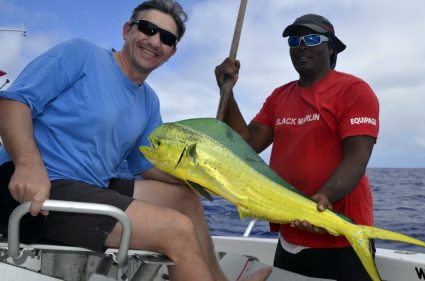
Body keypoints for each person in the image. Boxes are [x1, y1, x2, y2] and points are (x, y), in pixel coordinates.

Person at [0, 1, 271, 280]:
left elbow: (146, 165)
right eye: (148, 29)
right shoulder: (81, 53)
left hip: (92, 186)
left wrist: (201, 179)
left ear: (171, 52)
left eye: (166, 38)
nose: (155, 41)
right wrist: (27, 165)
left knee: (186, 199)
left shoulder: (149, 100)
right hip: (40, 189)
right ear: (127, 30)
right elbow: (14, 102)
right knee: (176, 229)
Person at [215, 13, 380, 281]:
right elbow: (247, 144)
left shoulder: (354, 90)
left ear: (331, 47)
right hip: (290, 237)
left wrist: (323, 199)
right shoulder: (279, 96)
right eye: (294, 40)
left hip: (342, 238)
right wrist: (228, 92)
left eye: (312, 38)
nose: (301, 46)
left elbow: (357, 159)